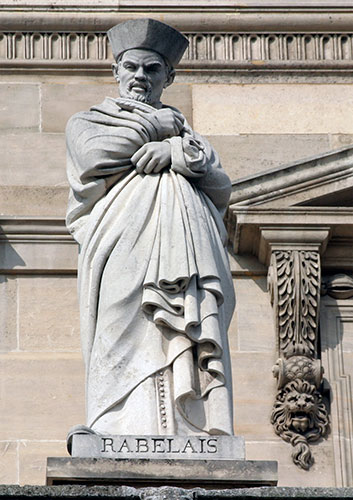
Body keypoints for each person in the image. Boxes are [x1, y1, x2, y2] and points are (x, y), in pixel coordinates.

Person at [66, 19, 235, 437]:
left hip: (187, 248)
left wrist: (175, 150)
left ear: (168, 77)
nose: (140, 76)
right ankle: (114, 423)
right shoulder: (89, 121)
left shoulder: (188, 136)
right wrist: (153, 129)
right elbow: (93, 157)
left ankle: (190, 426)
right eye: (132, 67)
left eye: (152, 69)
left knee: (183, 326)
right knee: (122, 327)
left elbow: (220, 186)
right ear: (116, 72)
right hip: (122, 245)